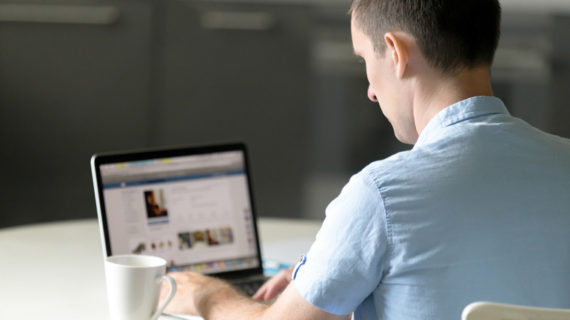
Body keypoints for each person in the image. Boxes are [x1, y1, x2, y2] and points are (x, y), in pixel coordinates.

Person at [161, 0, 570, 319]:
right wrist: (332, 276)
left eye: (365, 61)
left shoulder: (382, 195)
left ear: (395, 52)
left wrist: (206, 294)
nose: (371, 91)